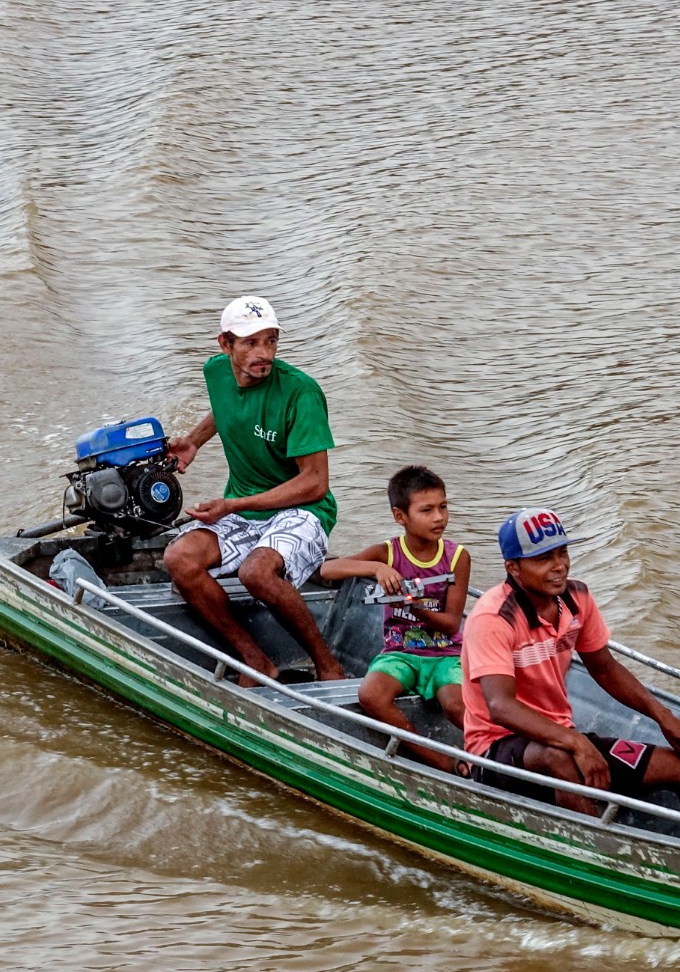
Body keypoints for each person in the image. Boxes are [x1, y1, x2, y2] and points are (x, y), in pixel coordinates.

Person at [460, 508, 680, 839]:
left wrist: (664, 717)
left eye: (562, 552)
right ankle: (600, 855)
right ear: (513, 568)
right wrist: (577, 743)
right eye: (543, 558)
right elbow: (501, 707)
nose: (559, 565)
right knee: (560, 756)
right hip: (495, 751)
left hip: (560, 736)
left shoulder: (577, 598)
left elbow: (604, 668)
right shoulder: (494, 618)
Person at [161, 295, 346, 682]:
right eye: (250, 343)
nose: (264, 353)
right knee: (179, 559)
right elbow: (227, 404)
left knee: (256, 573)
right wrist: (194, 440)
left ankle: (327, 665)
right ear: (225, 345)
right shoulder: (216, 372)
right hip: (244, 511)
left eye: (271, 341)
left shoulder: (301, 393)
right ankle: (255, 660)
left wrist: (233, 504)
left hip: (303, 510)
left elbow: (315, 483)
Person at [317, 465, 470, 771]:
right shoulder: (389, 552)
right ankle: (439, 761)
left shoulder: (456, 557)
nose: (439, 517)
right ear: (401, 516)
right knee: (371, 695)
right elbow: (327, 570)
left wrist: (413, 606)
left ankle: (491, 761)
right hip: (400, 652)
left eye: (443, 507)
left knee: (456, 705)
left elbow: (452, 622)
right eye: (426, 510)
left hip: (445, 654)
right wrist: (376, 569)